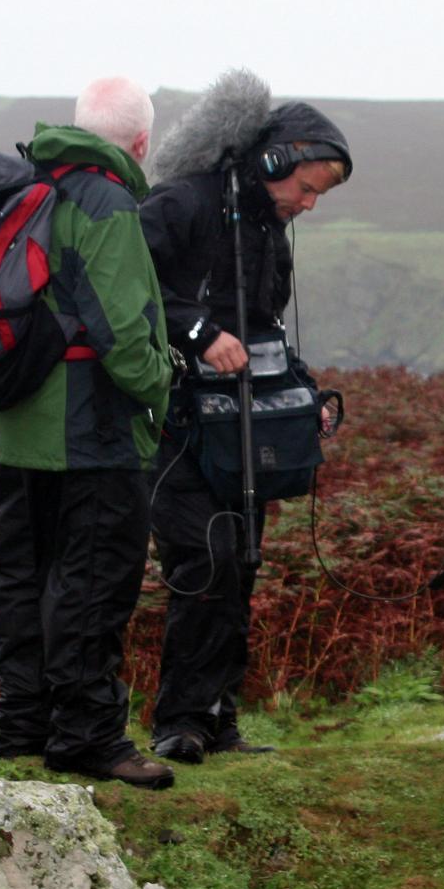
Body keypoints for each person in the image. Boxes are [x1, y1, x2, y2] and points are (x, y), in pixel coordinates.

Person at [141, 93, 352, 764]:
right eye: (307, 188)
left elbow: (264, 332)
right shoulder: (185, 202)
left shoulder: (266, 229)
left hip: (237, 434)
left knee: (242, 566)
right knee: (207, 562)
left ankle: (216, 720)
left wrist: (302, 394)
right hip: (171, 424)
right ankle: (179, 722)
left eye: (319, 196)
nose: (309, 204)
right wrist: (197, 331)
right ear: (273, 159)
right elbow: (121, 279)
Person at [0, 76, 176, 789]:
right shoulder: (106, 202)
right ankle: (88, 736)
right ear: (139, 142)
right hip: (90, 431)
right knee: (93, 581)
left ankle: (19, 725)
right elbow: (124, 333)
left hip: (16, 425)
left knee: (23, 577)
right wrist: (164, 386)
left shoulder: (26, 189)